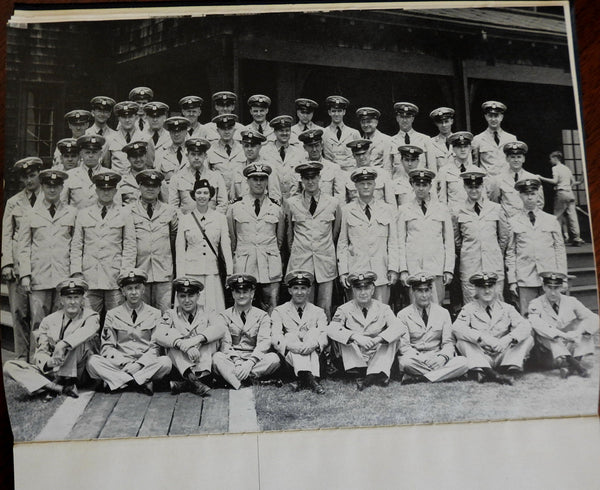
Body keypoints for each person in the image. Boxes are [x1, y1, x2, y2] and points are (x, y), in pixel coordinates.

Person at [3, 278, 99, 400]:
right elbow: (41, 349)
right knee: (9, 366)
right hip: (55, 369)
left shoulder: (91, 316)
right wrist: (48, 362)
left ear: (82, 299)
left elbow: (87, 331)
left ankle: (59, 383)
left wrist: (62, 344)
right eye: (69, 298)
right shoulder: (49, 320)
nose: (73, 302)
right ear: (61, 299)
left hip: (79, 373)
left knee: (76, 343)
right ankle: (57, 388)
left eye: (76, 297)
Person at [86, 269, 172, 395]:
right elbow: (107, 347)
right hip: (120, 364)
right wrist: (125, 363)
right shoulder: (112, 314)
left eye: (137, 288)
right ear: (123, 291)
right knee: (92, 362)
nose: (133, 292)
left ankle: (120, 381)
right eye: (129, 288)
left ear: (143, 290)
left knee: (166, 362)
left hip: (145, 364)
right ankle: (137, 382)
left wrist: (139, 364)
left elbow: (156, 348)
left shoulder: (155, 313)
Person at [18, 169, 77, 338]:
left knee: (63, 321)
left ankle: (59, 362)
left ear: (62, 188)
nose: (52, 190)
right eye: (49, 186)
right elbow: (24, 246)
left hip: (63, 275)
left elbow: (75, 245)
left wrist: (73, 273)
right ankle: (39, 362)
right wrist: (25, 274)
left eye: (56, 186)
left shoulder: (71, 213)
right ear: (42, 186)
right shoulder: (30, 214)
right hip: (39, 275)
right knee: (38, 322)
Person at [70, 170, 137, 315]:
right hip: (89, 278)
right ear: (96, 190)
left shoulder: (124, 213)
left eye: (110, 189)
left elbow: (130, 246)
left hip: (114, 278)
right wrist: (76, 272)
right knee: (88, 321)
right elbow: (76, 246)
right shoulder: (83, 214)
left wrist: (125, 273)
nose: (106, 192)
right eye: (102, 189)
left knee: (117, 320)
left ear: (115, 190)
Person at [452, 272, 534, 384]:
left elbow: (525, 326)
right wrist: (483, 339)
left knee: (528, 338)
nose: (487, 291)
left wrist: (507, 339)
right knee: (462, 342)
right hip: (483, 355)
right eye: (482, 287)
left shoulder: (507, 308)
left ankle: (508, 369)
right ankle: (491, 373)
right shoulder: (468, 309)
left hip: (502, 354)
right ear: (476, 289)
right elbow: (457, 328)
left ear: (496, 287)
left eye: (490, 286)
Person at [326, 271, 403, 390]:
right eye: (358, 289)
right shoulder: (344, 309)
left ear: (372, 289)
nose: (363, 293)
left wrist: (379, 339)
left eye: (366, 288)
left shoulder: (383, 308)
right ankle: (363, 372)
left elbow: (399, 327)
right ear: (353, 290)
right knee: (342, 336)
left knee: (394, 338)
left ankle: (374, 373)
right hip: (357, 353)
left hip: (376, 352)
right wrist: (355, 337)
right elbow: (332, 329)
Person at [285, 162, 341, 318]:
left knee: (325, 307)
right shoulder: (291, 203)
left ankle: (324, 341)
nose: (310, 182)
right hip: (301, 261)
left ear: (319, 178)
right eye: (306, 178)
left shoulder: (333, 203)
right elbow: (289, 235)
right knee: (302, 305)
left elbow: (335, 232)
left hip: (325, 261)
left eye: (313, 177)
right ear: (301, 180)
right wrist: (298, 251)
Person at [227, 163, 284, 313]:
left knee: (271, 307)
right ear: (247, 181)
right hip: (245, 264)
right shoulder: (236, 207)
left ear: (267, 181)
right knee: (243, 305)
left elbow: (280, 240)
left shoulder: (276, 208)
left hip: (269, 265)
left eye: (262, 179)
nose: (258, 183)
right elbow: (232, 238)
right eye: (254, 179)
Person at [154, 277, 226, 396]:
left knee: (210, 339)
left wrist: (197, 339)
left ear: (198, 296)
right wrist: (183, 345)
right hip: (181, 365)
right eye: (182, 296)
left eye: (191, 296)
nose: (187, 300)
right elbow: (159, 334)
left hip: (204, 364)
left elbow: (221, 328)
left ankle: (187, 384)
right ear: (177, 297)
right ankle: (193, 381)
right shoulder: (170, 314)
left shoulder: (208, 311)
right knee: (172, 342)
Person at [506, 178, 567, 315]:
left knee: (551, 316)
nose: (529, 197)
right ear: (520, 196)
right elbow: (511, 252)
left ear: (537, 195)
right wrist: (512, 281)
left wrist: (563, 277)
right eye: (526, 194)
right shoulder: (513, 221)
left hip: (550, 278)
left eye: (532, 194)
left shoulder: (550, 220)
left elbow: (559, 249)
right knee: (528, 317)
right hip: (525, 278)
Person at [337, 168, 399, 304]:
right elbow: (342, 243)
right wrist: (343, 272)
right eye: (361, 184)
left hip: (381, 271)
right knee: (356, 313)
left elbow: (393, 242)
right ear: (355, 186)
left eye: (369, 183)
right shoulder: (347, 210)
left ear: (375, 185)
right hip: (356, 271)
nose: (365, 187)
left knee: (381, 314)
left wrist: (393, 268)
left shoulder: (387, 209)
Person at [2, 157, 42, 360]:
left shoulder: (49, 197)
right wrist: (7, 263)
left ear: (39, 175)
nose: (29, 180)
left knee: (38, 314)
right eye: (25, 177)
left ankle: (38, 358)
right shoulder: (14, 202)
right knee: (18, 313)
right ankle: (20, 357)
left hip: (41, 265)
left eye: (33, 175)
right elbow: (7, 234)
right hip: (18, 266)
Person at [212, 274, 281, 389]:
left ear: (252, 294)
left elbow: (264, 343)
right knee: (217, 358)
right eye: (238, 292)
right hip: (232, 359)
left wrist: (250, 363)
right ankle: (247, 381)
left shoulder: (262, 316)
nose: (242, 295)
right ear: (233, 294)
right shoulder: (224, 316)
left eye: (245, 292)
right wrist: (238, 362)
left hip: (254, 359)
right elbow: (225, 344)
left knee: (274, 359)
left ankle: (232, 378)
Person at [397, 273, 468, 382]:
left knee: (464, 362)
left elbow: (448, 342)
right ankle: (444, 375)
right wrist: (424, 359)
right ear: (413, 292)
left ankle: (422, 378)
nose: (424, 295)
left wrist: (442, 358)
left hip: (438, 357)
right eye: (420, 291)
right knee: (406, 363)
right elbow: (404, 347)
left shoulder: (443, 312)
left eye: (427, 290)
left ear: (431, 291)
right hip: (416, 359)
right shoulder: (403, 315)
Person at [454, 167, 510, 303]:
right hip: (470, 265)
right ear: (464, 187)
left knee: (497, 304)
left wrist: (494, 251)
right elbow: (457, 240)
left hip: (493, 264)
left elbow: (503, 237)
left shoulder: (495, 209)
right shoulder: (458, 211)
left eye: (477, 186)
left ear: (482, 186)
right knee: (471, 304)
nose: (474, 190)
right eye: (470, 187)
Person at [398, 169, 454, 304]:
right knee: (415, 308)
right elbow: (400, 241)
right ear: (412, 185)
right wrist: (403, 269)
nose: (421, 188)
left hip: (436, 267)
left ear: (430, 186)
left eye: (424, 185)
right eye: (417, 185)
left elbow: (449, 241)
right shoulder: (404, 210)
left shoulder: (442, 209)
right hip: (414, 268)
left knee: (437, 308)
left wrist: (448, 269)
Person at [176, 179, 233, 312]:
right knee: (191, 307)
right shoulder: (185, 219)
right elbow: (180, 249)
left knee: (213, 308)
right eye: (199, 192)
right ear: (193, 195)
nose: (202, 196)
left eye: (206, 193)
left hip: (212, 272)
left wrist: (229, 271)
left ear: (210, 195)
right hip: (191, 271)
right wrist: (181, 275)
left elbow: (226, 245)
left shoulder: (220, 218)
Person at [528, 272, 598, 378]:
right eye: (549, 287)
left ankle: (570, 367)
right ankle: (577, 367)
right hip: (549, 356)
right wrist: (563, 335)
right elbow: (536, 324)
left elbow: (594, 318)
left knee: (586, 327)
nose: (552, 292)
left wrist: (578, 332)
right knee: (548, 334)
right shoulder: (535, 304)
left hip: (568, 348)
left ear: (561, 287)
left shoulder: (571, 301)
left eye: (556, 288)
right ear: (543, 287)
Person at [271, 271, 328, 393]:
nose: (299, 292)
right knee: (290, 336)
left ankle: (304, 378)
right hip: (290, 358)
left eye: (303, 288)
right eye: (295, 288)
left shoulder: (318, 311)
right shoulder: (279, 311)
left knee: (314, 332)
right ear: (290, 291)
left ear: (309, 290)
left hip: (313, 352)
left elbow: (324, 333)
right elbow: (276, 335)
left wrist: (315, 344)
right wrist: (290, 346)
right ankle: (312, 380)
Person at [131, 169, 178, 312]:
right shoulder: (129, 211)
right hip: (140, 271)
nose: (150, 189)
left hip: (163, 271)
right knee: (141, 313)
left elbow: (174, 237)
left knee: (164, 313)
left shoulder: (169, 211)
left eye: (154, 186)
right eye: (146, 185)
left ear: (159, 188)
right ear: (139, 186)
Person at [537, 150, 585, 246]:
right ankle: (577, 238)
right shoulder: (567, 169)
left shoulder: (555, 168)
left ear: (555, 158)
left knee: (557, 216)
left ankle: (557, 238)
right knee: (573, 217)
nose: (550, 161)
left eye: (551, 159)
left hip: (561, 193)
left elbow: (555, 181)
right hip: (570, 193)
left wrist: (541, 177)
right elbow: (574, 182)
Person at [169, 138, 228, 214]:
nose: (196, 158)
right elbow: (173, 206)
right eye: (193, 154)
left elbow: (223, 204)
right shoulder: (177, 178)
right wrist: (184, 220)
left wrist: (213, 220)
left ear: (205, 156)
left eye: (200, 154)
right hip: (186, 223)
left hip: (211, 223)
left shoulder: (216, 177)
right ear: (187, 155)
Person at [488, 141, 544, 219]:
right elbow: (495, 203)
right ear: (507, 159)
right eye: (512, 157)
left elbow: (539, 203)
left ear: (523, 159)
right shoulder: (498, 180)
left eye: (519, 157)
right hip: (507, 223)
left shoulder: (533, 178)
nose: (516, 160)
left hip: (527, 222)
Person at [230, 129, 282, 202]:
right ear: (242, 147)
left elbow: (275, 196)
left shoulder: (269, 168)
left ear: (260, 147)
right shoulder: (237, 170)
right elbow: (233, 197)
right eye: (246, 146)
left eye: (253, 146)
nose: (249, 149)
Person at [261, 115, 305, 199]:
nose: (284, 133)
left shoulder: (299, 153)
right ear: (275, 132)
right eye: (281, 131)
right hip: (272, 201)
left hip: (294, 200)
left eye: (287, 130)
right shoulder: (265, 153)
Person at [472, 100, 517, 177]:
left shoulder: (511, 139)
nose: (493, 119)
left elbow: (515, 164)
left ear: (501, 117)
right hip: (487, 185)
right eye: (490, 116)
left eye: (496, 116)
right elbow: (475, 166)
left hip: (507, 183)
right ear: (486, 117)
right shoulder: (478, 139)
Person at [62, 134, 107, 210]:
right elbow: (63, 204)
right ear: (81, 154)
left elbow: (115, 207)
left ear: (101, 154)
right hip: (77, 219)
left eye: (94, 152)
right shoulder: (70, 175)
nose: (91, 156)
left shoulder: (109, 174)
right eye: (87, 152)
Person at [343, 139, 395, 205]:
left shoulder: (383, 174)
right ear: (353, 155)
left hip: (380, 212)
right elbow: (343, 204)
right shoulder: (347, 176)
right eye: (358, 155)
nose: (361, 157)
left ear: (370, 153)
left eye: (364, 153)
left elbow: (391, 202)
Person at [104, 101, 149, 175]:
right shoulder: (110, 139)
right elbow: (106, 165)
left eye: (130, 116)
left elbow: (149, 164)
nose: (127, 120)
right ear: (118, 118)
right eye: (124, 117)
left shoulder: (146, 138)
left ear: (136, 117)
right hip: (117, 182)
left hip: (139, 181)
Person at [297, 128, 343, 198]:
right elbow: (296, 196)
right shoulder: (300, 168)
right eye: (310, 146)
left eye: (317, 145)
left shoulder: (334, 168)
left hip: (329, 207)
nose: (314, 150)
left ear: (322, 145)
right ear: (305, 147)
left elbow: (340, 196)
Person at [206, 113, 246, 193]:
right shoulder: (210, 151)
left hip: (240, 195)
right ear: (217, 131)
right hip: (218, 195)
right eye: (223, 128)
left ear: (234, 130)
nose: (226, 132)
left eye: (229, 128)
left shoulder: (243, 149)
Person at [436, 131, 472, 215]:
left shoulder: (476, 171)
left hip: (471, 218)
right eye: (459, 147)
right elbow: (442, 200)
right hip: (453, 217)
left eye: (465, 146)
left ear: (470, 148)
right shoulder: (444, 171)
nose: (463, 150)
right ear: (453, 149)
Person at [322, 95, 361, 172]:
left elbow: (360, 155)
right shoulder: (323, 133)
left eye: (339, 111)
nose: (336, 114)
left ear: (344, 112)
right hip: (331, 172)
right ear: (329, 112)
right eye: (333, 111)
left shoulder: (354, 133)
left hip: (350, 172)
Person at [153, 116, 190, 192]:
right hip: (168, 197)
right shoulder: (161, 154)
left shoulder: (193, 153)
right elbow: (157, 180)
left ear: (186, 131)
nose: (176, 134)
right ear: (169, 132)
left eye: (180, 131)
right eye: (173, 131)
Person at [390, 102, 429, 169]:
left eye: (408, 117)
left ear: (412, 119)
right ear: (397, 118)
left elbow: (431, 167)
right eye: (402, 117)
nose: (404, 120)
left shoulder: (425, 139)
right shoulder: (390, 141)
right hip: (398, 179)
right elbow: (388, 169)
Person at [355, 106, 392, 171]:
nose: (366, 125)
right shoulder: (358, 142)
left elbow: (388, 166)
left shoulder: (386, 140)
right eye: (363, 122)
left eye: (369, 122)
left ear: (376, 122)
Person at [117, 140, 150, 205]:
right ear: (128, 158)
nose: (138, 159)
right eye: (134, 156)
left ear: (146, 156)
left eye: (141, 156)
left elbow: (164, 203)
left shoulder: (155, 176)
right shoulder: (121, 180)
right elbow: (117, 204)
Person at [426, 107, 455, 172]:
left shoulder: (458, 140)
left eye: (446, 121)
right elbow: (432, 168)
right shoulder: (431, 143)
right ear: (436, 124)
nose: (444, 125)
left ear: (452, 121)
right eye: (440, 122)